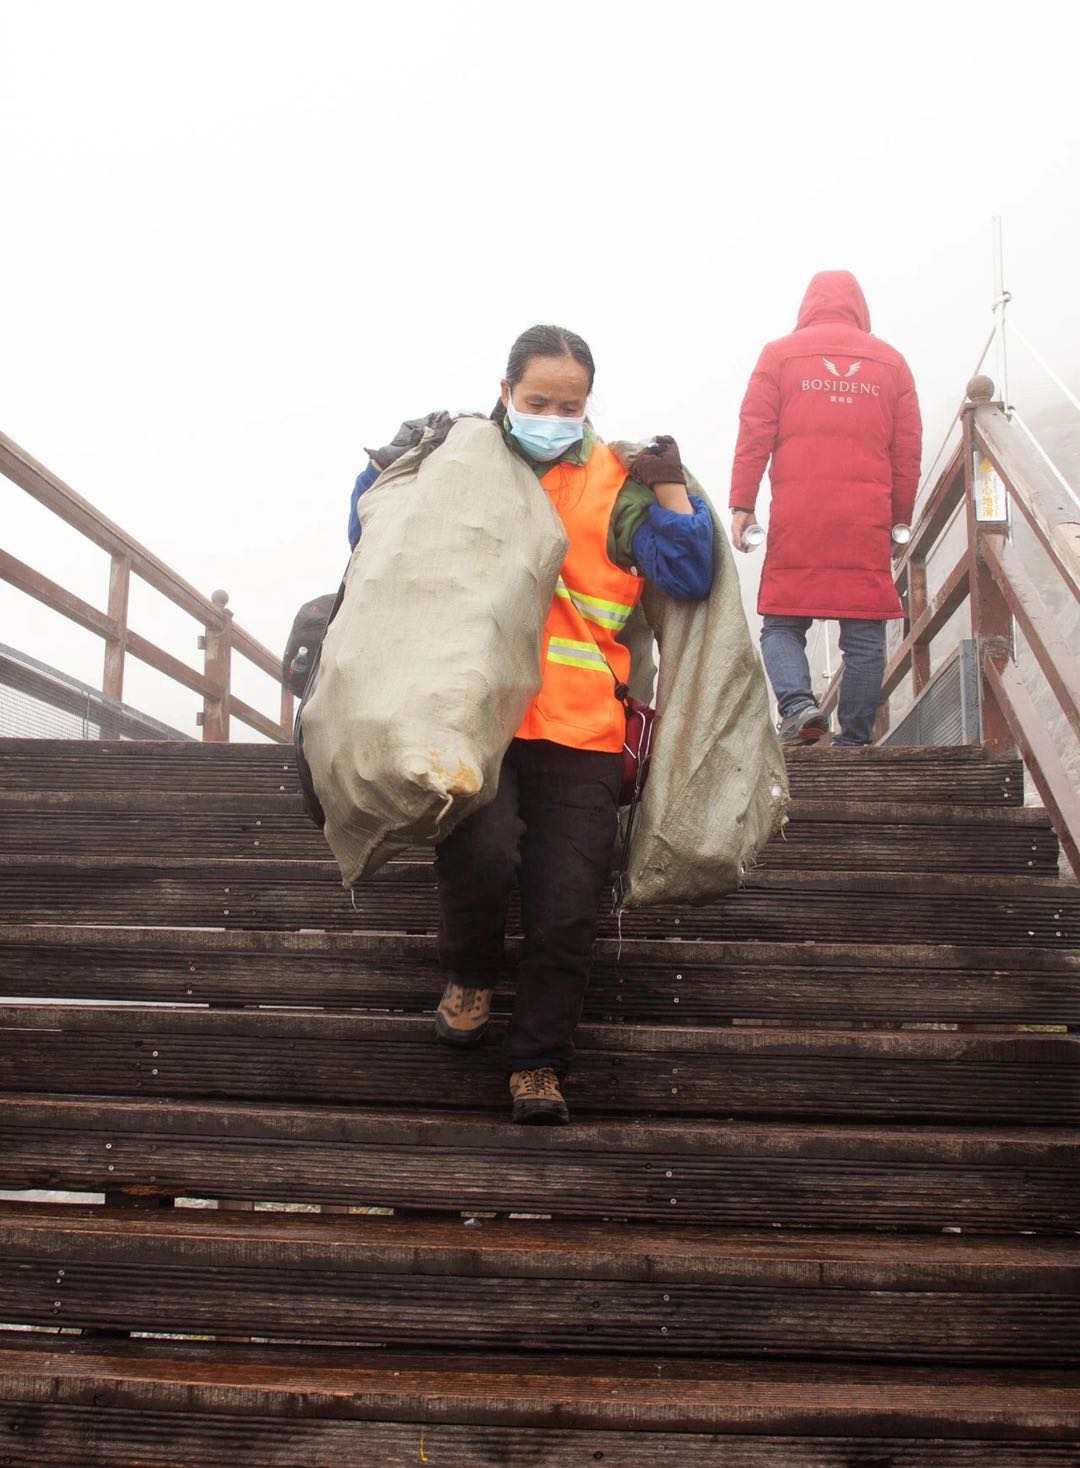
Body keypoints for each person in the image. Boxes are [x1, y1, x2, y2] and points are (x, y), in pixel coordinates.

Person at [433, 324, 715, 1124]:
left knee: (567, 903)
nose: (553, 416)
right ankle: (469, 975)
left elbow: (689, 569)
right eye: (537, 402)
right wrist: (382, 469)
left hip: (583, 726)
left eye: (570, 404)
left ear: (589, 404)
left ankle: (538, 1064)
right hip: (480, 715)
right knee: (480, 852)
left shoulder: (615, 482)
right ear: (504, 394)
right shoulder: (462, 462)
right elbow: (374, 538)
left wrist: (667, 487)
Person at [728, 271, 922, 746]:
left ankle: (798, 708)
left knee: (782, 622)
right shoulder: (891, 363)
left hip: (800, 518)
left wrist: (742, 504)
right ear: (860, 306)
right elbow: (907, 452)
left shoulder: (779, 357)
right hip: (864, 520)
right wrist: (899, 519)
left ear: (808, 305)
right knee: (864, 634)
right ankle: (854, 741)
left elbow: (755, 433)